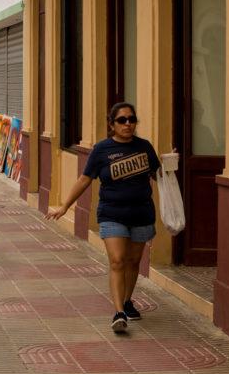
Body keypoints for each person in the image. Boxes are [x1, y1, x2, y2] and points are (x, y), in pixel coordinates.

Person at [46, 102, 160, 333]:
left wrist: (168, 166)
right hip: (112, 213)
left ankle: (127, 301)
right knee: (118, 260)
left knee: (133, 262)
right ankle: (119, 313)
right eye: (122, 120)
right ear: (111, 124)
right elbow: (84, 179)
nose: (128, 124)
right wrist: (65, 206)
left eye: (131, 119)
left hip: (141, 213)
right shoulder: (102, 150)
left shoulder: (145, 147)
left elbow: (159, 176)